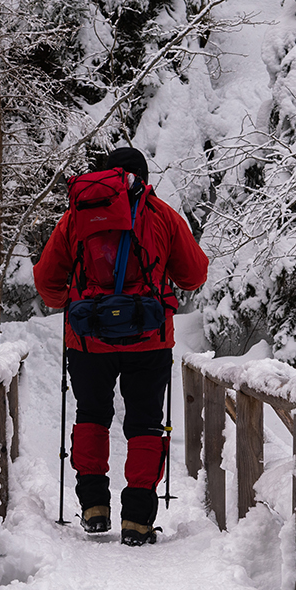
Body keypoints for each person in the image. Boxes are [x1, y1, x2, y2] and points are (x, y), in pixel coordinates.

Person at [33, 147, 208, 545]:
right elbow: (193, 275)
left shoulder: (76, 217)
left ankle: (94, 507)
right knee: (145, 422)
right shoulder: (162, 215)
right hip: (149, 339)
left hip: (88, 339)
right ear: (142, 177)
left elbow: (46, 283)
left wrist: (72, 302)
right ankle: (137, 520)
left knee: (91, 415)